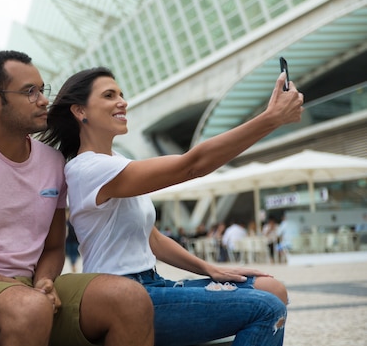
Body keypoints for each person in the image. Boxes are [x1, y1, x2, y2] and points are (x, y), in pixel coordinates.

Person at [41, 66, 304, 346]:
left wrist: (210, 269)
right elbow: (191, 165)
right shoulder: (87, 168)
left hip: (153, 284)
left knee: (272, 289)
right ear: (80, 111)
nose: (122, 101)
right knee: (267, 308)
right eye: (109, 95)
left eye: (121, 93)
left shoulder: (117, 162)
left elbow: (152, 238)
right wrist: (270, 119)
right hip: (121, 292)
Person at [0, 50, 154, 346]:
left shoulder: (53, 162)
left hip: (31, 290)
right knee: (29, 308)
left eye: (42, 90)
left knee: (130, 298)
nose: (43, 100)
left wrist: (44, 281)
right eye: (30, 92)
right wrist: (15, 288)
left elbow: (55, 246)